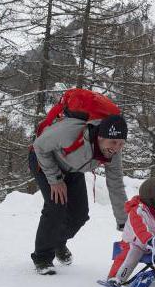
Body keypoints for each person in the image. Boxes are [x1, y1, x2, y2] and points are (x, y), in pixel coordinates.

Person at [29, 113, 128, 275]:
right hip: (45, 160)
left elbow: (115, 183)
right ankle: (42, 257)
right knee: (56, 207)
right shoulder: (70, 132)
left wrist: (124, 221)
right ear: (101, 137)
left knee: (79, 215)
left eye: (121, 143)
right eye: (113, 142)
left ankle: (58, 242)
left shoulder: (113, 153)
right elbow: (39, 146)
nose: (116, 148)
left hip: (73, 169)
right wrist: (55, 180)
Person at [107, 177, 155, 285]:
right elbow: (141, 231)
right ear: (154, 200)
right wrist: (151, 240)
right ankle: (117, 278)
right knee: (132, 254)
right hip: (135, 243)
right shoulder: (138, 212)